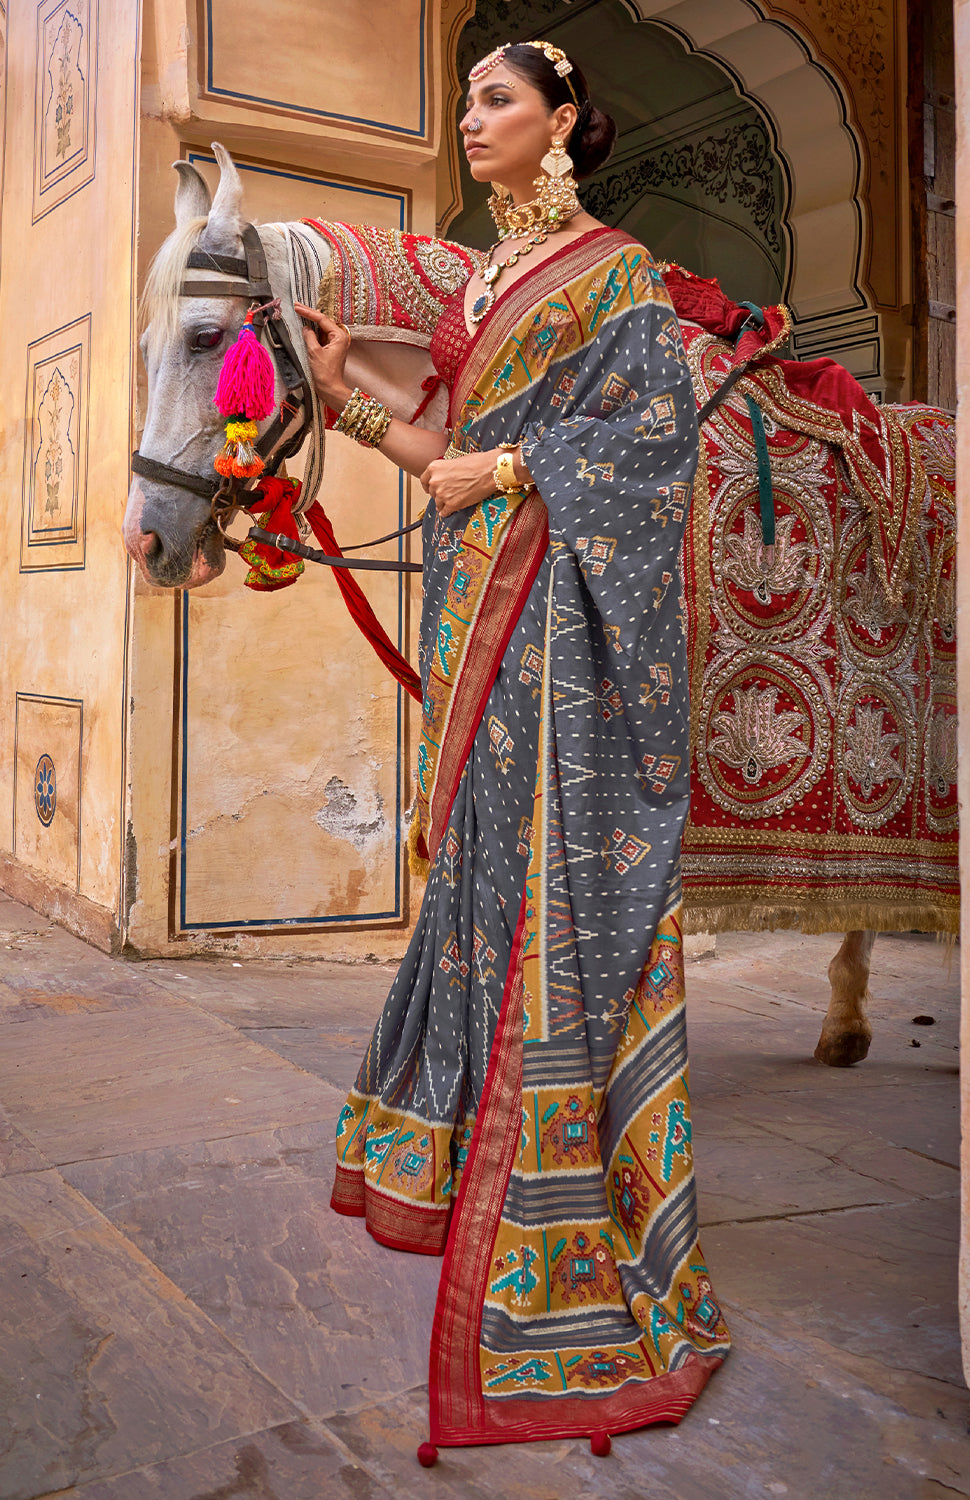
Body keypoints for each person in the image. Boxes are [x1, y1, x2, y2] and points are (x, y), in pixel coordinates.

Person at [294, 38, 730, 1458]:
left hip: (561, 622)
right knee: (477, 884)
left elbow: (654, 437)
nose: (471, 121)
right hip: (484, 602)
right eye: (469, 100)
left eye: (498, 101)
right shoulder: (479, 281)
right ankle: (449, 1157)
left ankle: (560, 1215)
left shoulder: (617, 273)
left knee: (541, 890)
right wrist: (349, 392)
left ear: (562, 127)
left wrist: (525, 465)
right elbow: (453, 460)